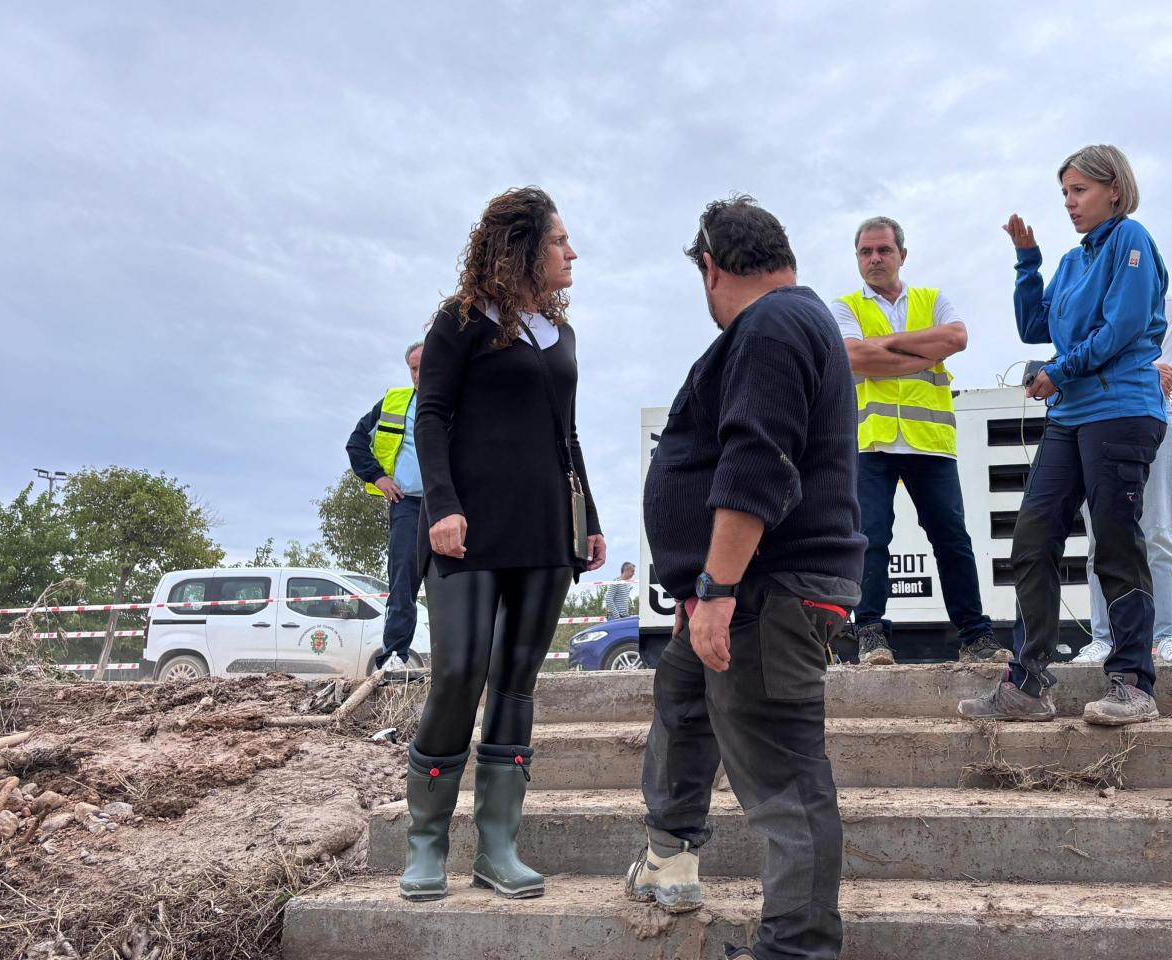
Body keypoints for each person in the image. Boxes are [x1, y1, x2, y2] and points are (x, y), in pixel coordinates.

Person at [627, 196, 862, 960]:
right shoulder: (791, 322)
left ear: (711, 267)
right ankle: (670, 857)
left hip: (766, 590)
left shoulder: (770, 325)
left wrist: (721, 591)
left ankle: (796, 950)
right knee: (684, 705)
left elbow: (759, 462)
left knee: (786, 785)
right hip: (741, 587)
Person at [397, 186, 605, 904]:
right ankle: (425, 843)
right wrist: (443, 509)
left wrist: (591, 520)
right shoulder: (459, 322)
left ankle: (496, 847)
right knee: (458, 670)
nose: (571, 253)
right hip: (470, 529)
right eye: (559, 240)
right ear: (521, 246)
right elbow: (432, 417)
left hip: (546, 529)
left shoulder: (558, 334)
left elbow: (566, 435)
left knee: (517, 681)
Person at [958, 144, 1169, 726]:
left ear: (1114, 191)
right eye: (1065, 194)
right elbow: (1034, 327)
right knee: (1032, 540)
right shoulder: (1075, 261)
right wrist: (1028, 261)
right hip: (1071, 416)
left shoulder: (1132, 240)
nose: (1071, 204)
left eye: (1080, 191)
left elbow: (1123, 327)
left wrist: (1059, 372)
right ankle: (1028, 685)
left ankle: (1132, 683)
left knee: (1117, 544)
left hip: (1121, 409)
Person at [832, 217, 1003, 667]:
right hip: (873, 442)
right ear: (857, 258)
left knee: (952, 540)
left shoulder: (933, 299)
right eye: (865, 252)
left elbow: (956, 338)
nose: (874, 259)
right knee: (871, 539)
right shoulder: (844, 307)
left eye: (883, 251)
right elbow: (853, 356)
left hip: (929, 441)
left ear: (901, 255)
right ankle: (870, 634)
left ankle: (976, 636)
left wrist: (886, 346)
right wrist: (922, 350)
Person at [1075, 296, 1172, 665]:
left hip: (1153, 415)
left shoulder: (1157, 299)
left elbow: (1165, 377)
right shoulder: (1085, 300)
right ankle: (1104, 638)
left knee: (1157, 534)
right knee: (1100, 541)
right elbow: (1077, 362)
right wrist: (1137, 369)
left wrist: (1106, 368)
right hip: (1097, 420)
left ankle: (1168, 636)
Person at [347, 341, 427, 671]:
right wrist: (379, 478)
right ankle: (395, 655)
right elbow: (356, 443)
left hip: (450, 507)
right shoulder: (394, 402)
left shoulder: (461, 401)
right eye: (414, 368)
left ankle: (461, 657)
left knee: (454, 585)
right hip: (407, 505)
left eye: (425, 365)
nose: (419, 373)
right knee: (403, 581)